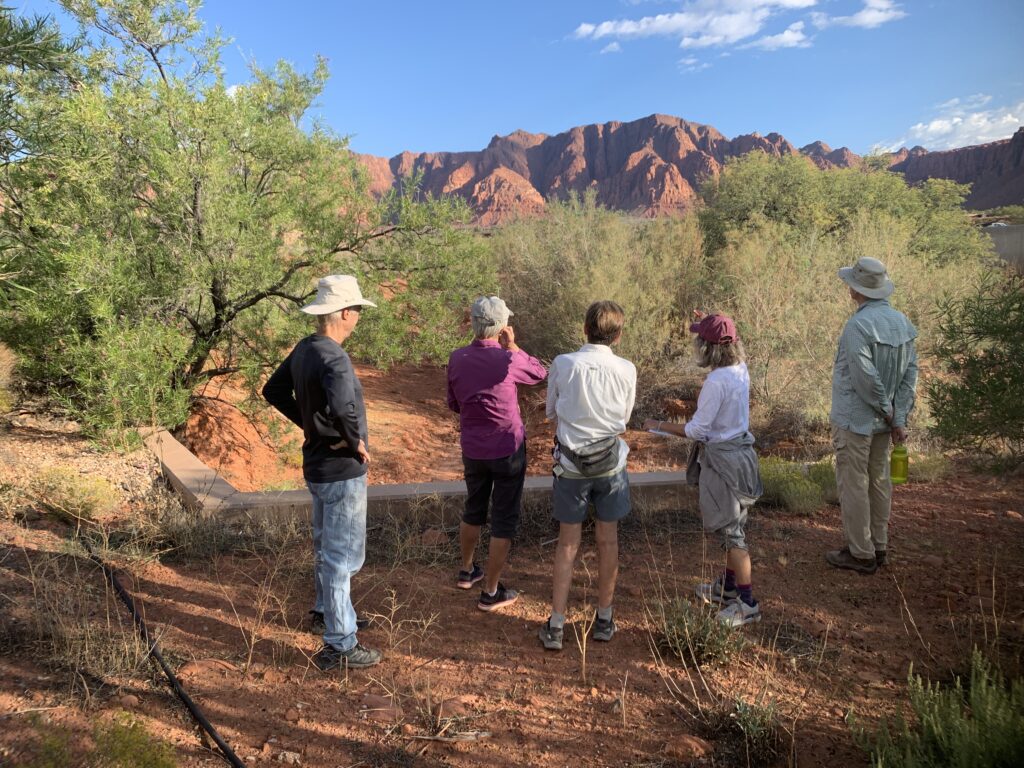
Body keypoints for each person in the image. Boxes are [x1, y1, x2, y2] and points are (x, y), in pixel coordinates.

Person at [262, 274, 382, 671]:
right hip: (342, 470)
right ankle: (340, 643)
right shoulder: (334, 356)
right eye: (358, 311)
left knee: (325, 546)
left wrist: (309, 424)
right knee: (342, 555)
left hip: (316, 465)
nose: (359, 318)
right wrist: (354, 443)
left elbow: (273, 391)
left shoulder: (305, 348)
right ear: (345, 313)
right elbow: (345, 406)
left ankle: (326, 612)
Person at [645, 312, 764, 627]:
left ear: (707, 348)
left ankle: (747, 602)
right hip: (740, 455)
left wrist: (658, 425)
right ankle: (726, 588)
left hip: (722, 462)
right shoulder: (740, 370)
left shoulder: (715, 381)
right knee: (731, 527)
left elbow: (696, 430)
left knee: (732, 534)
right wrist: (712, 320)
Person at [539, 301, 636, 651]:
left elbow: (551, 411)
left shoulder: (564, 364)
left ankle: (556, 625)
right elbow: (623, 418)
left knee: (568, 544)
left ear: (584, 328)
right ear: (618, 335)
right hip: (610, 466)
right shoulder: (627, 369)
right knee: (607, 541)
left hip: (571, 467)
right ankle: (605, 619)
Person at [447, 296, 547, 611]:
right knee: (504, 518)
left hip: (473, 448)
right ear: (503, 326)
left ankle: (466, 571)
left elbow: (453, 403)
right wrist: (514, 347)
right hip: (507, 448)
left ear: (473, 322)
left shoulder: (457, 358)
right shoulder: (508, 359)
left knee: (473, 507)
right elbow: (539, 373)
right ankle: (491, 591)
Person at [826, 257, 918, 574]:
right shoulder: (903, 323)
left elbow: (865, 379)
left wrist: (890, 411)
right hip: (883, 422)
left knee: (854, 484)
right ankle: (878, 545)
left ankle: (861, 553)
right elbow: (910, 377)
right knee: (878, 482)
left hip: (855, 419)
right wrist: (898, 417)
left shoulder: (857, 327)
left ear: (856, 290)